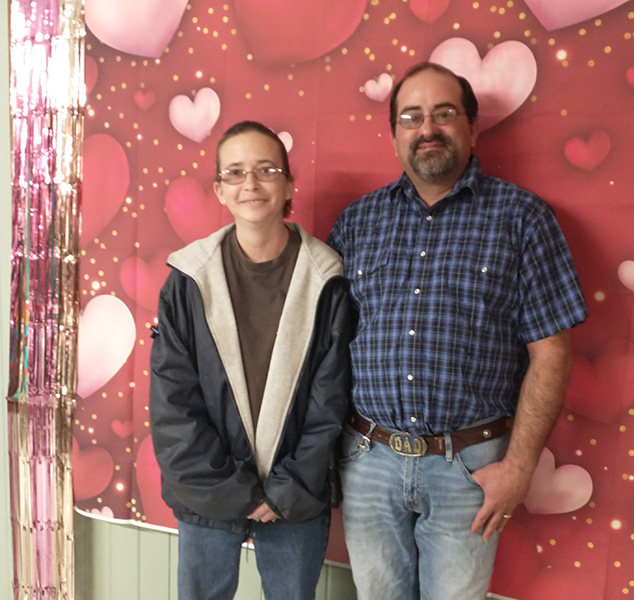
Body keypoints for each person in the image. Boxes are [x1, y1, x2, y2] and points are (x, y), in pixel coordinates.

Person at [327, 62, 588, 599]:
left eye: (443, 114)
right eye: (411, 117)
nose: (427, 129)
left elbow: (552, 353)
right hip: (368, 460)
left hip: (470, 467)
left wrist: (519, 468)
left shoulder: (523, 219)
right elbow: (327, 349)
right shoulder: (356, 223)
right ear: (394, 134)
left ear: (472, 128)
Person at [149, 120, 353, 600]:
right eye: (235, 173)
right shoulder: (188, 279)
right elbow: (173, 403)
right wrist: (234, 491)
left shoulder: (326, 278)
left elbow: (331, 400)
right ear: (220, 189)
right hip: (208, 490)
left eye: (266, 170)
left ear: (289, 184)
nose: (251, 184)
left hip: (295, 494)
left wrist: (285, 489)